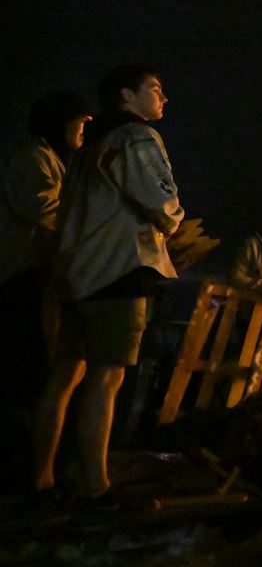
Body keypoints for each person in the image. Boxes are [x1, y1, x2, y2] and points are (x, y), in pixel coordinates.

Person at [34, 66, 183, 508]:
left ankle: (41, 477)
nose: (163, 98)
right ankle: (95, 487)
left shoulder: (86, 149)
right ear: (126, 95)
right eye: (155, 89)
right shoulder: (136, 137)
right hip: (119, 269)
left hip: (77, 274)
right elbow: (161, 199)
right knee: (108, 378)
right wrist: (173, 222)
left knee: (65, 376)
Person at [1, 93, 91, 424]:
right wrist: (92, 225)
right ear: (59, 122)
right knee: (31, 359)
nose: (85, 127)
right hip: (26, 272)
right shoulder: (33, 156)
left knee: (43, 359)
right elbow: (43, 207)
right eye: (80, 120)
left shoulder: (52, 158)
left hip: (40, 271)